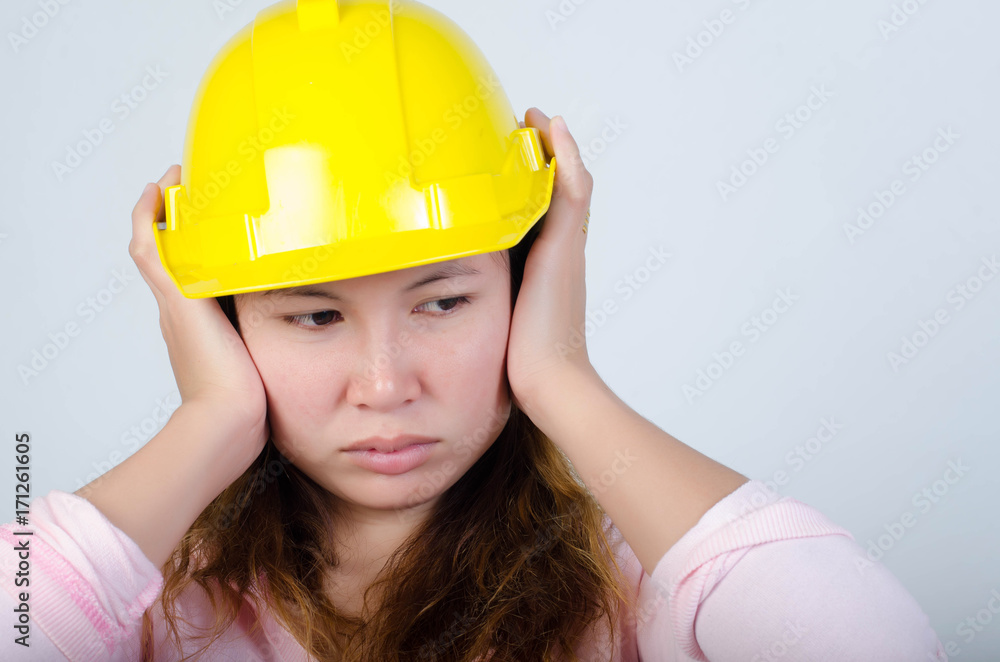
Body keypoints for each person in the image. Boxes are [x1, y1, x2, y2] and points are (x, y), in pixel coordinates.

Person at [0, 1, 948, 660]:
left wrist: (564, 379)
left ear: (526, 283)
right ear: (218, 322)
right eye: (316, 315)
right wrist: (207, 424)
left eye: (442, 302)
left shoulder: (629, 585)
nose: (383, 384)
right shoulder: (149, 600)